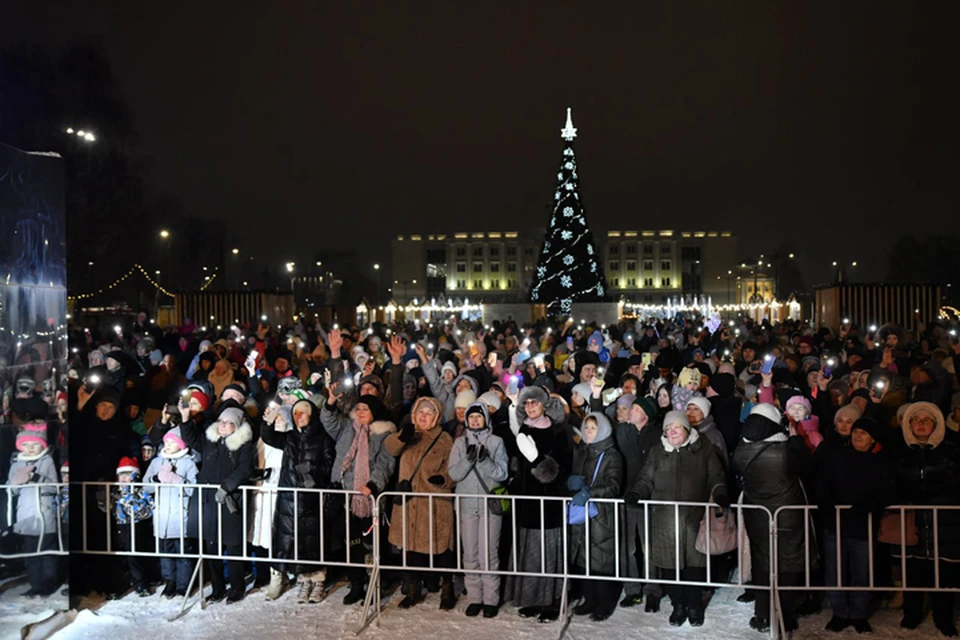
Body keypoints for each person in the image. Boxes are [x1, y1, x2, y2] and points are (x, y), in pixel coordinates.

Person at [625, 410, 728, 627]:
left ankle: (694, 606)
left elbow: (716, 476)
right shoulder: (657, 452)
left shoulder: (704, 450)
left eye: (676, 427)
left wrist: (719, 493)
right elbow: (646, 479)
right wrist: (637, 493)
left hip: (693, 519)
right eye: (668, 429)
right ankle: (678, 605)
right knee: (670, 567)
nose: (671, 432)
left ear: (686, 429)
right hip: (664, 521)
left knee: (693, 567)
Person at [733, 403, 814, 633]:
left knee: (762, 563)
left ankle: (761, 612)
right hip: (787, 514)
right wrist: (796, 438)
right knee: (786, 565)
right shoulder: (785, 450)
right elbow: (808, 467)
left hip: (755, 513)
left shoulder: (741, 450)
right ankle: (784, 615)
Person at [817, 417, 894, 633]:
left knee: (863, 572)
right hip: (836, 524)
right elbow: (823, 485)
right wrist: (827, 507)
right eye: (856, 431)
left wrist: (871, 505)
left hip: (863, 525)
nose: (858, 435)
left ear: (872, 439)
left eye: (864, 433)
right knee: (835, 571)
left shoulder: (880, 462)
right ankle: (840, 612)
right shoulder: (837, 457)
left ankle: (859, 614)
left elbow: (886, 491)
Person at [503, 385, 573, 623]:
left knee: (549, 553)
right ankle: (532, 598)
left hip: (549, 503)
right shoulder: (524, 428)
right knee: (530, 553)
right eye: (527, 403)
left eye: (534, 402)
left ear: (545, 405)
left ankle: (552, 601)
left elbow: (560, 471)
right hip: (527, 504)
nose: (530, 407)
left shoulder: (557, 432)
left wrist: (537, 459)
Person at [321, 391, 397, 605]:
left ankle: (375, 584)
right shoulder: (348, 428)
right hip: (347, 495)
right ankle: (356, 583)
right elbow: (328, 421)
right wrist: (331, 402)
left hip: (370, 499)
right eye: (359, 409)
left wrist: (373, 485)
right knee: (351, 543)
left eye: (366, 409)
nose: (361, 412)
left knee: (371, 546)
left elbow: (385, 462)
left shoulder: (385, 434)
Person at [262, 398, 338, 604]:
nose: (299, 417)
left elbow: (330, 465)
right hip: (289, 498)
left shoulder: (323, 438)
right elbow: (269, 437)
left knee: (314, 540)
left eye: (303, 413)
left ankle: (319, 581)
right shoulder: (289, 437)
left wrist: (312, 471)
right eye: (295, 414)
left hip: (312, 498)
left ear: (311, 415)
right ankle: (304, 581)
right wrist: (268, 422)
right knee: (297, 541)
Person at [893, 402, 960, 636]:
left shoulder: (951, 450)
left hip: (945, 524)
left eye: (927, 420)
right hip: (913, 523)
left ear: (936, 423)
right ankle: (911, 615)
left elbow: (953, 482)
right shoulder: (899, 452)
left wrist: (923, 489)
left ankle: (944, 619)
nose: (921, 424)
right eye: (916, 420)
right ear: (909, 424)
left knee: (945, 575)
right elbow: (894, 484)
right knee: (913, 571)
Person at [385, 397, 457, 610]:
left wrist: (443, 479)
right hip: (408, 503)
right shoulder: (408, 433)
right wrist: (402, 438)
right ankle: (413, 589)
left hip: (434, 503)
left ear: (436, 417)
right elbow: (391, 448)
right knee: (410, 547)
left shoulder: (444, 439)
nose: (423, 416)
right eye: (420, 412)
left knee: (442, 549)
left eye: (428, 412)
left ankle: (447, 588)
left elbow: (453, 468)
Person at [181, 406, 254, 604]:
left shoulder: (244, 445)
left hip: (230, 500)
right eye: (221, 422)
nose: (222, 426)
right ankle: (217, 587)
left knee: (233, 546)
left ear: (236, 425)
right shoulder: (209, 439)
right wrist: (186, 418)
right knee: (211, 545)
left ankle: (237, 588)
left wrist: (227, 486)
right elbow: (191, 439)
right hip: (208, 500)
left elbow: (245, 469)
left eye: (228, 423)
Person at [447, 402, 509, 618]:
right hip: (466, 505)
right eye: (471, 416)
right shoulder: (459, 443)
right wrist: (468, 459)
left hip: (489, 505)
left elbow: (501, 473)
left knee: (489, 553)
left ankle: (491, 599)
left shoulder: (496, 442)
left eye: (478, 416)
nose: (474, 420)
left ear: (485, 419)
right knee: (470, 553)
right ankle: (475, 598)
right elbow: (454, 474)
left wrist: (484, 461)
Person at [568, 412, 624, 621]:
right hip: (584, 514)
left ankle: (605, 602)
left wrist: (590, 492)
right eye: (586, 427)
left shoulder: (612, 455)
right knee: (584, 558)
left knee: (602, 560)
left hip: (602, 514)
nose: (588, 432)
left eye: (593, 428)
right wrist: (572, 483)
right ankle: (590, 599)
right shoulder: (583, 451)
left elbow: (614, 485)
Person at [614, 396, 663, 610]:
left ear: (646, 414)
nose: (631, 411)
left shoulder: (656, 435)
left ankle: (653, 590)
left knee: (650, 547)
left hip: (649, 498)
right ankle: (632, 589)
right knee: (626, 547)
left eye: (636, 408)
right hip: (626, 496)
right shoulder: (624, 431)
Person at [143, 431, 199, 598]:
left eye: (173, 441)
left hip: (181, 515)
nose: (168, 444)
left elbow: (193, 489)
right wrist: (156, 478)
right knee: (165, 553)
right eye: (166, 441)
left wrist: (176, 480)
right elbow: (146, 486)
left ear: (182, 444)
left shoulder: (189, 463)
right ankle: (170, 582)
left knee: (183, 552)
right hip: (162, 517)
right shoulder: (156, 462)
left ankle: (183, 585)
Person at [7, 422, 60, 596]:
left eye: (35, 444)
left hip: (44, 512)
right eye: (26, 445)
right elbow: (11, 490)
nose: (30, 448)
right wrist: (15, 482)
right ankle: (35, 585)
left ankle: (49, 583)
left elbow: (53, 486)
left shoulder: (47, 460)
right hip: (26, 514)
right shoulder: (16, 463)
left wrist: (36, 476)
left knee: (47, 551)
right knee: (31, 552)